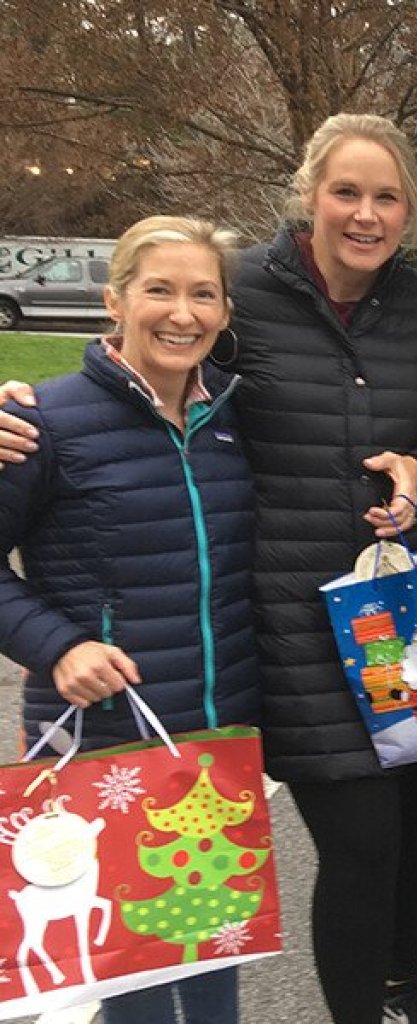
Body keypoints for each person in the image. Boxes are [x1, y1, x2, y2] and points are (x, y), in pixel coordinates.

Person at [0, 113, 417, 1024]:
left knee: (366, 841)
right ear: (308, 195)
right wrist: (28, 407)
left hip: (377, 621)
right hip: (258, 634)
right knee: (342, 844)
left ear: (410, 208)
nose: (364, 214)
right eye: (346, 191)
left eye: (385, 196)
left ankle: (398, 981)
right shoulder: (242, 294)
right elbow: (133, 387)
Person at [0, 215, 258, 1024]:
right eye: (160, 290)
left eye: (202, 294)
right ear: (115, 300)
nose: (182, 313)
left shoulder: (233, 421)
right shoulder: (42, 422)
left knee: (218, 952)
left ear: (223, 313)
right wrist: (57, 645)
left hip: (212, 745)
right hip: (104, 740)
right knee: (129, 970)